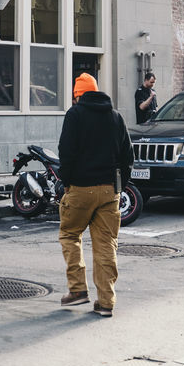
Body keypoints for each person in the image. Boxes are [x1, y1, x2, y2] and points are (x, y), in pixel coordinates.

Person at [57, 72, 133, 317]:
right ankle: (106, 302)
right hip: (110, 190)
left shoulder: (75, 115)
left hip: (80, 188)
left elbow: (66, 151)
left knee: (70, 234)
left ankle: (78, 290)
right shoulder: (115, 117)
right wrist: (120, 185)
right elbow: (127, 156)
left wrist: (66, 182)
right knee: (105, 245)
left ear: (78, 95)